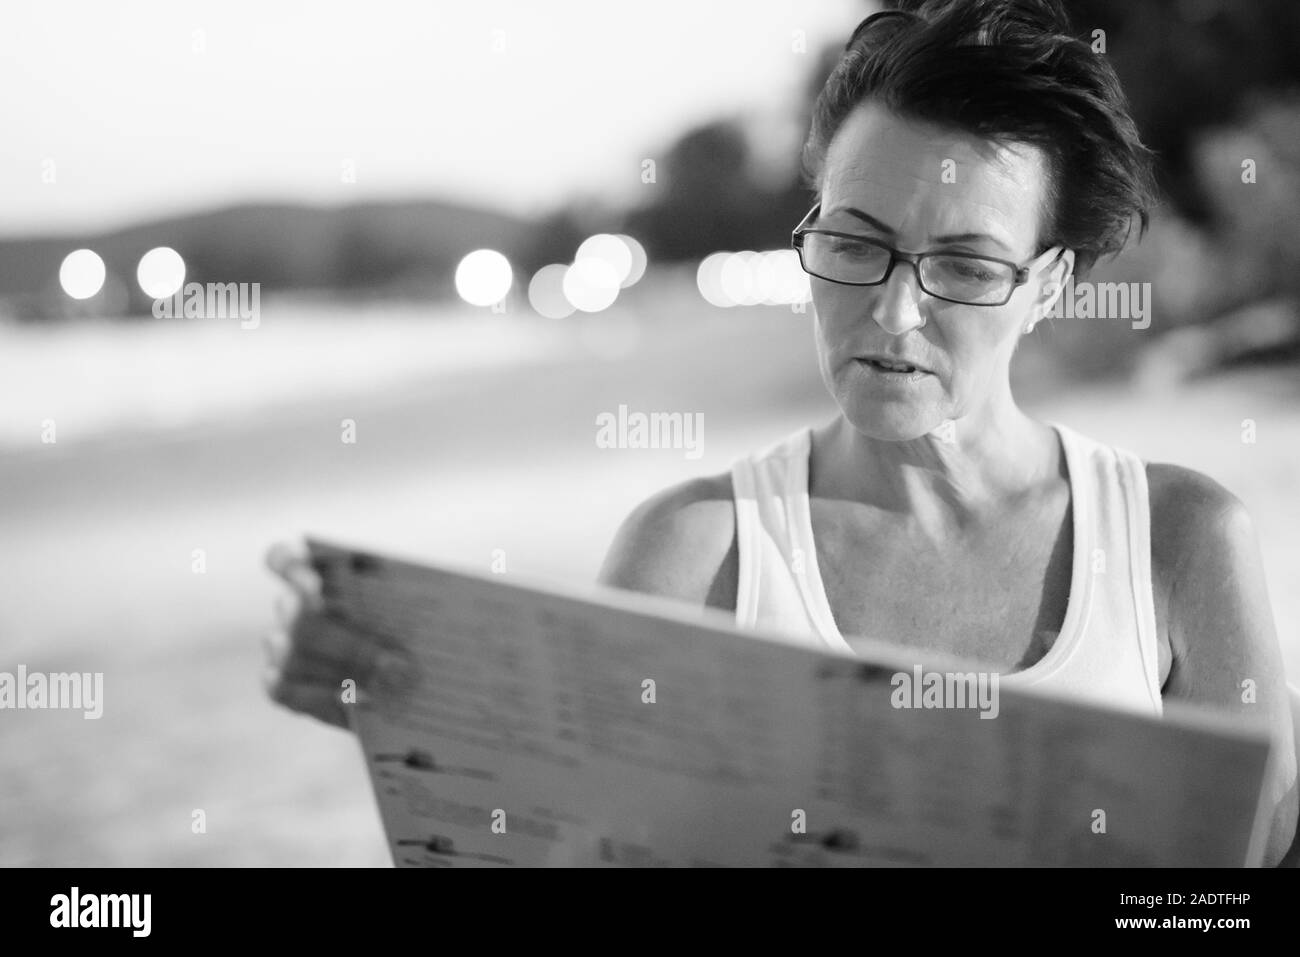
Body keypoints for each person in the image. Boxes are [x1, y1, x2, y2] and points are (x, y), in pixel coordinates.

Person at [264, 0, 1298, 865]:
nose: (893, 316)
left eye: (967, 267)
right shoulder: (697, 554)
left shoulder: (1176, 542)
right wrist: (419, 719)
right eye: (855, 244)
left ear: (1051, 284)